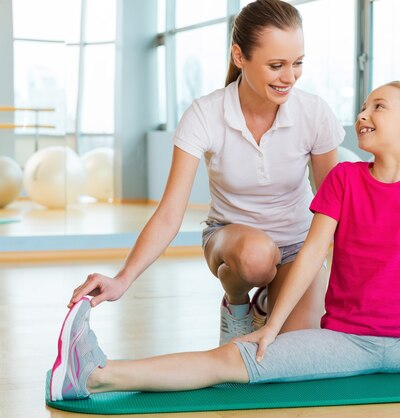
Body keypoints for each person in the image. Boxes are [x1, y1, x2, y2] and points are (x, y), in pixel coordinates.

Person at [49, 81, 400, 402]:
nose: (363, 112)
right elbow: (312, 255)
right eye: (365, 104)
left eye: (379, 105)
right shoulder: (345, 179)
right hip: (344, 341)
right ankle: (96, 374)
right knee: (233, 361)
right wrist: (270, 329)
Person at [67, 0, 346, 345]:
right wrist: (122, 279)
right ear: (239, 56)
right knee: (256, 256)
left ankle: (267, 301)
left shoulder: (314, 113)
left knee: (297, 346)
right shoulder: (205, 114)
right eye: (276, 65)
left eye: (298, 63)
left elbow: (336, 208)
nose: (290, 77)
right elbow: (170, 214)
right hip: (231, 241)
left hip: (299, 245)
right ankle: (238, 303)